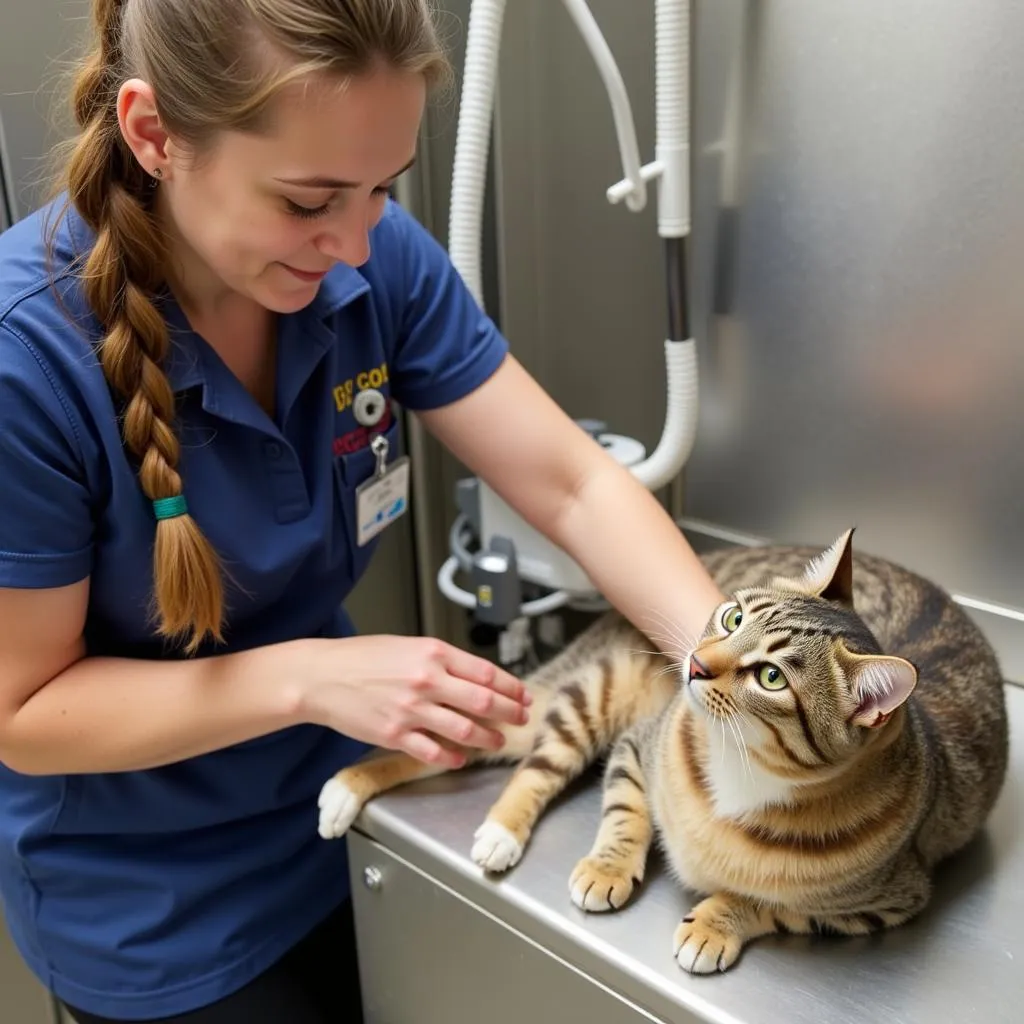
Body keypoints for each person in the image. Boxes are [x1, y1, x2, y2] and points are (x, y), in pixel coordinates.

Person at [0, 1, 725, 1021]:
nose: (351, 243)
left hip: (355, 810)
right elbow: (24, 714)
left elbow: (574, 483)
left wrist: (727, 668)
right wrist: (308, 675)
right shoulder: (25, 364)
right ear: (155, 135)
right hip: (152, 911)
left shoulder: (375, 257)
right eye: (308, 201)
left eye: (381, 189)